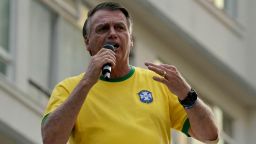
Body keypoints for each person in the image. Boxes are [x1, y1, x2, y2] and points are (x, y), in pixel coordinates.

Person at [41, 2, 219, 144]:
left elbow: (209, 135)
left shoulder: (158, 82)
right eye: (103, 29)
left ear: (131, 40)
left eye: (119, 28)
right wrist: (87, 82)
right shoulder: (69, 88)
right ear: (87, 43)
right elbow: (51, 140)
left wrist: (186, 94)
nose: (112, 34)